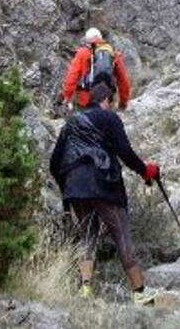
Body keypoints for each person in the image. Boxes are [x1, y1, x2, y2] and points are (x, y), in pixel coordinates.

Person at [49, 80, 161, 303]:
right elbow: (125, 152)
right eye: (112, 101)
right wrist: (146, 171)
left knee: (87, 237)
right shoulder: (109, 118)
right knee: (122, 235)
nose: (112, 106)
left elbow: (54, 162)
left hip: (76, 188)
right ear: (106, 100)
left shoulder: (70, 124)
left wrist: (67, 189)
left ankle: (85, 289)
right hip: (104, 184)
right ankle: (139, 293)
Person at [61, 27, 132, 110]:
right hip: (105, 101)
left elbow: (72, 77)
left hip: (85, 100)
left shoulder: (82, 53)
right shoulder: (113, 54)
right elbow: (123, 80)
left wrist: (66, 97)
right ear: (101, 38)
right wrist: (123, 102)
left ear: (87, 41)